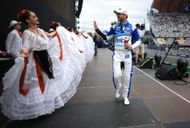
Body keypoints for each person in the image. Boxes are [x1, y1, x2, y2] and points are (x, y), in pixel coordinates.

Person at [93, 8, 141, 105]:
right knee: (117, 76)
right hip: (117, 55)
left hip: (127, 56)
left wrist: (132, 46)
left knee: (127, 78)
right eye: (117, 14)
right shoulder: (115, 27)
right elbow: (106, 37)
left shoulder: (132, 28)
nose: (118, 16)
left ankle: (126, 97)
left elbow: (139, 41)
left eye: (120, 14)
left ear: (125, 15)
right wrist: (97, 30)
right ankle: (118, 87)